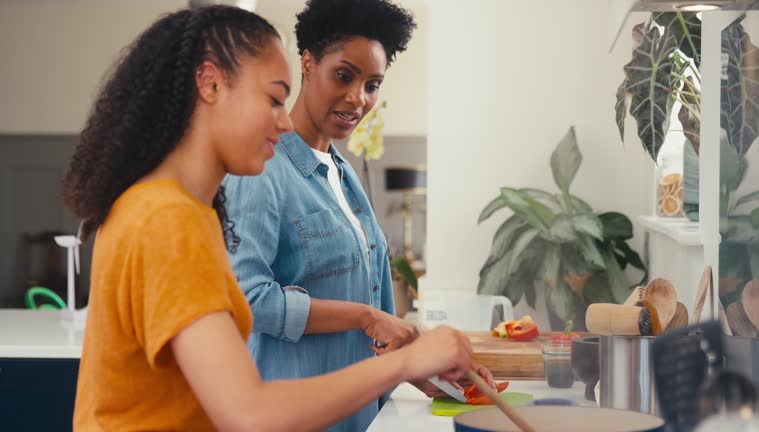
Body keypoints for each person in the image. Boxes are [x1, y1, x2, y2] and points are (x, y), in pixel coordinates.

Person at [62, 6, 474, 431]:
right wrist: (407, 361)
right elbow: (249, 412)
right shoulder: (167, 220)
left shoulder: (177, 210)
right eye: (274, 99)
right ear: (210, 84)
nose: (283, 121)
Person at [222, 1, 494, 430]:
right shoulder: (262, 171)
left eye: (373, 84)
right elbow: (247, 301)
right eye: (344, 76)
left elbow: (378, 325)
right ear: (307, 62)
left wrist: (428, 375)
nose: (358, 99)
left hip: (360, 419)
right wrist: (363, 316)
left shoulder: (344, 176)